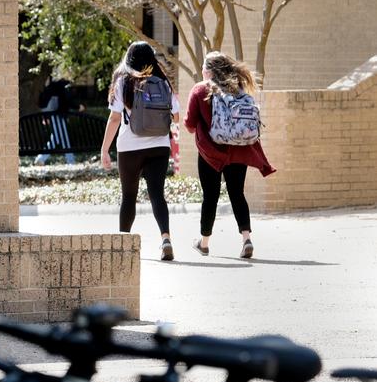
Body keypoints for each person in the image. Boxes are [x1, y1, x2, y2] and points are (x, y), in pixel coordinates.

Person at [183, 51, 276, 258]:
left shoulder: (200, 90)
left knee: (210, 196)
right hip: (238, 151)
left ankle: (204, 243)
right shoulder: (238, 89)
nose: (202, 72)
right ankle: (246, 239)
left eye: (203, 69)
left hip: (211, 154)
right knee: (237, 193)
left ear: (208, 71)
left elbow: (189, 124)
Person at [101, 42, 180, 261]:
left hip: (130, 148)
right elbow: (176, 117)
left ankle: (122, 247)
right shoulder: (163, 82)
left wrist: (104, 149)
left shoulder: (123, 82)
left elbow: (115, 118)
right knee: (157, 194)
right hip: (159, 146)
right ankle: (166, 239)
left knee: (128, 196)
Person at [34, 77, 82, 165]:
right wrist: (78, 107)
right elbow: (67, 101)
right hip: (58, 115)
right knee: (62, 137)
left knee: (57, 137)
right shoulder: (62, 86)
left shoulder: (51, 86)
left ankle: (41, 158)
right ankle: (70, 160)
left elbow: (45, 103)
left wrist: (45, 117)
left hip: (52, 115)